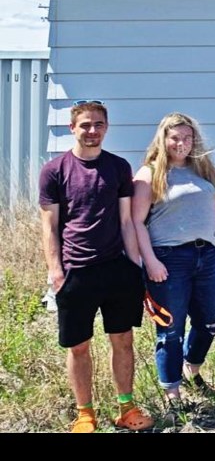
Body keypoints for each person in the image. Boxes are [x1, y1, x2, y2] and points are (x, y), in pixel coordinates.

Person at [39, 100, 154, 433]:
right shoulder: (55, 171)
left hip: (117, 268)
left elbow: (126, 222)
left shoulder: (118, 168)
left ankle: (127, 409)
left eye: (98, 125)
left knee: (123, 340)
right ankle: (85, 414)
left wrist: (134, 266)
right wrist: (57, 272)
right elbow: (49, 227)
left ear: (106, 127)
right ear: (72, 128)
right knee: (79, 346)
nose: (92, 131)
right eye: (85, 125)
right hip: (75, 271)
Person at [132, 113, 215, 409]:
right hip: (169, 258)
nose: (181, 143)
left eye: (187, 138)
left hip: (208, 256)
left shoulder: (202, 169)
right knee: (170, 329)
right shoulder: (149, 174)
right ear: (163, 139)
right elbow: (136, 222)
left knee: (211, 321)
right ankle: (173, 393)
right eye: (175, 137)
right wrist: (150, 261)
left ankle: (192, 367)